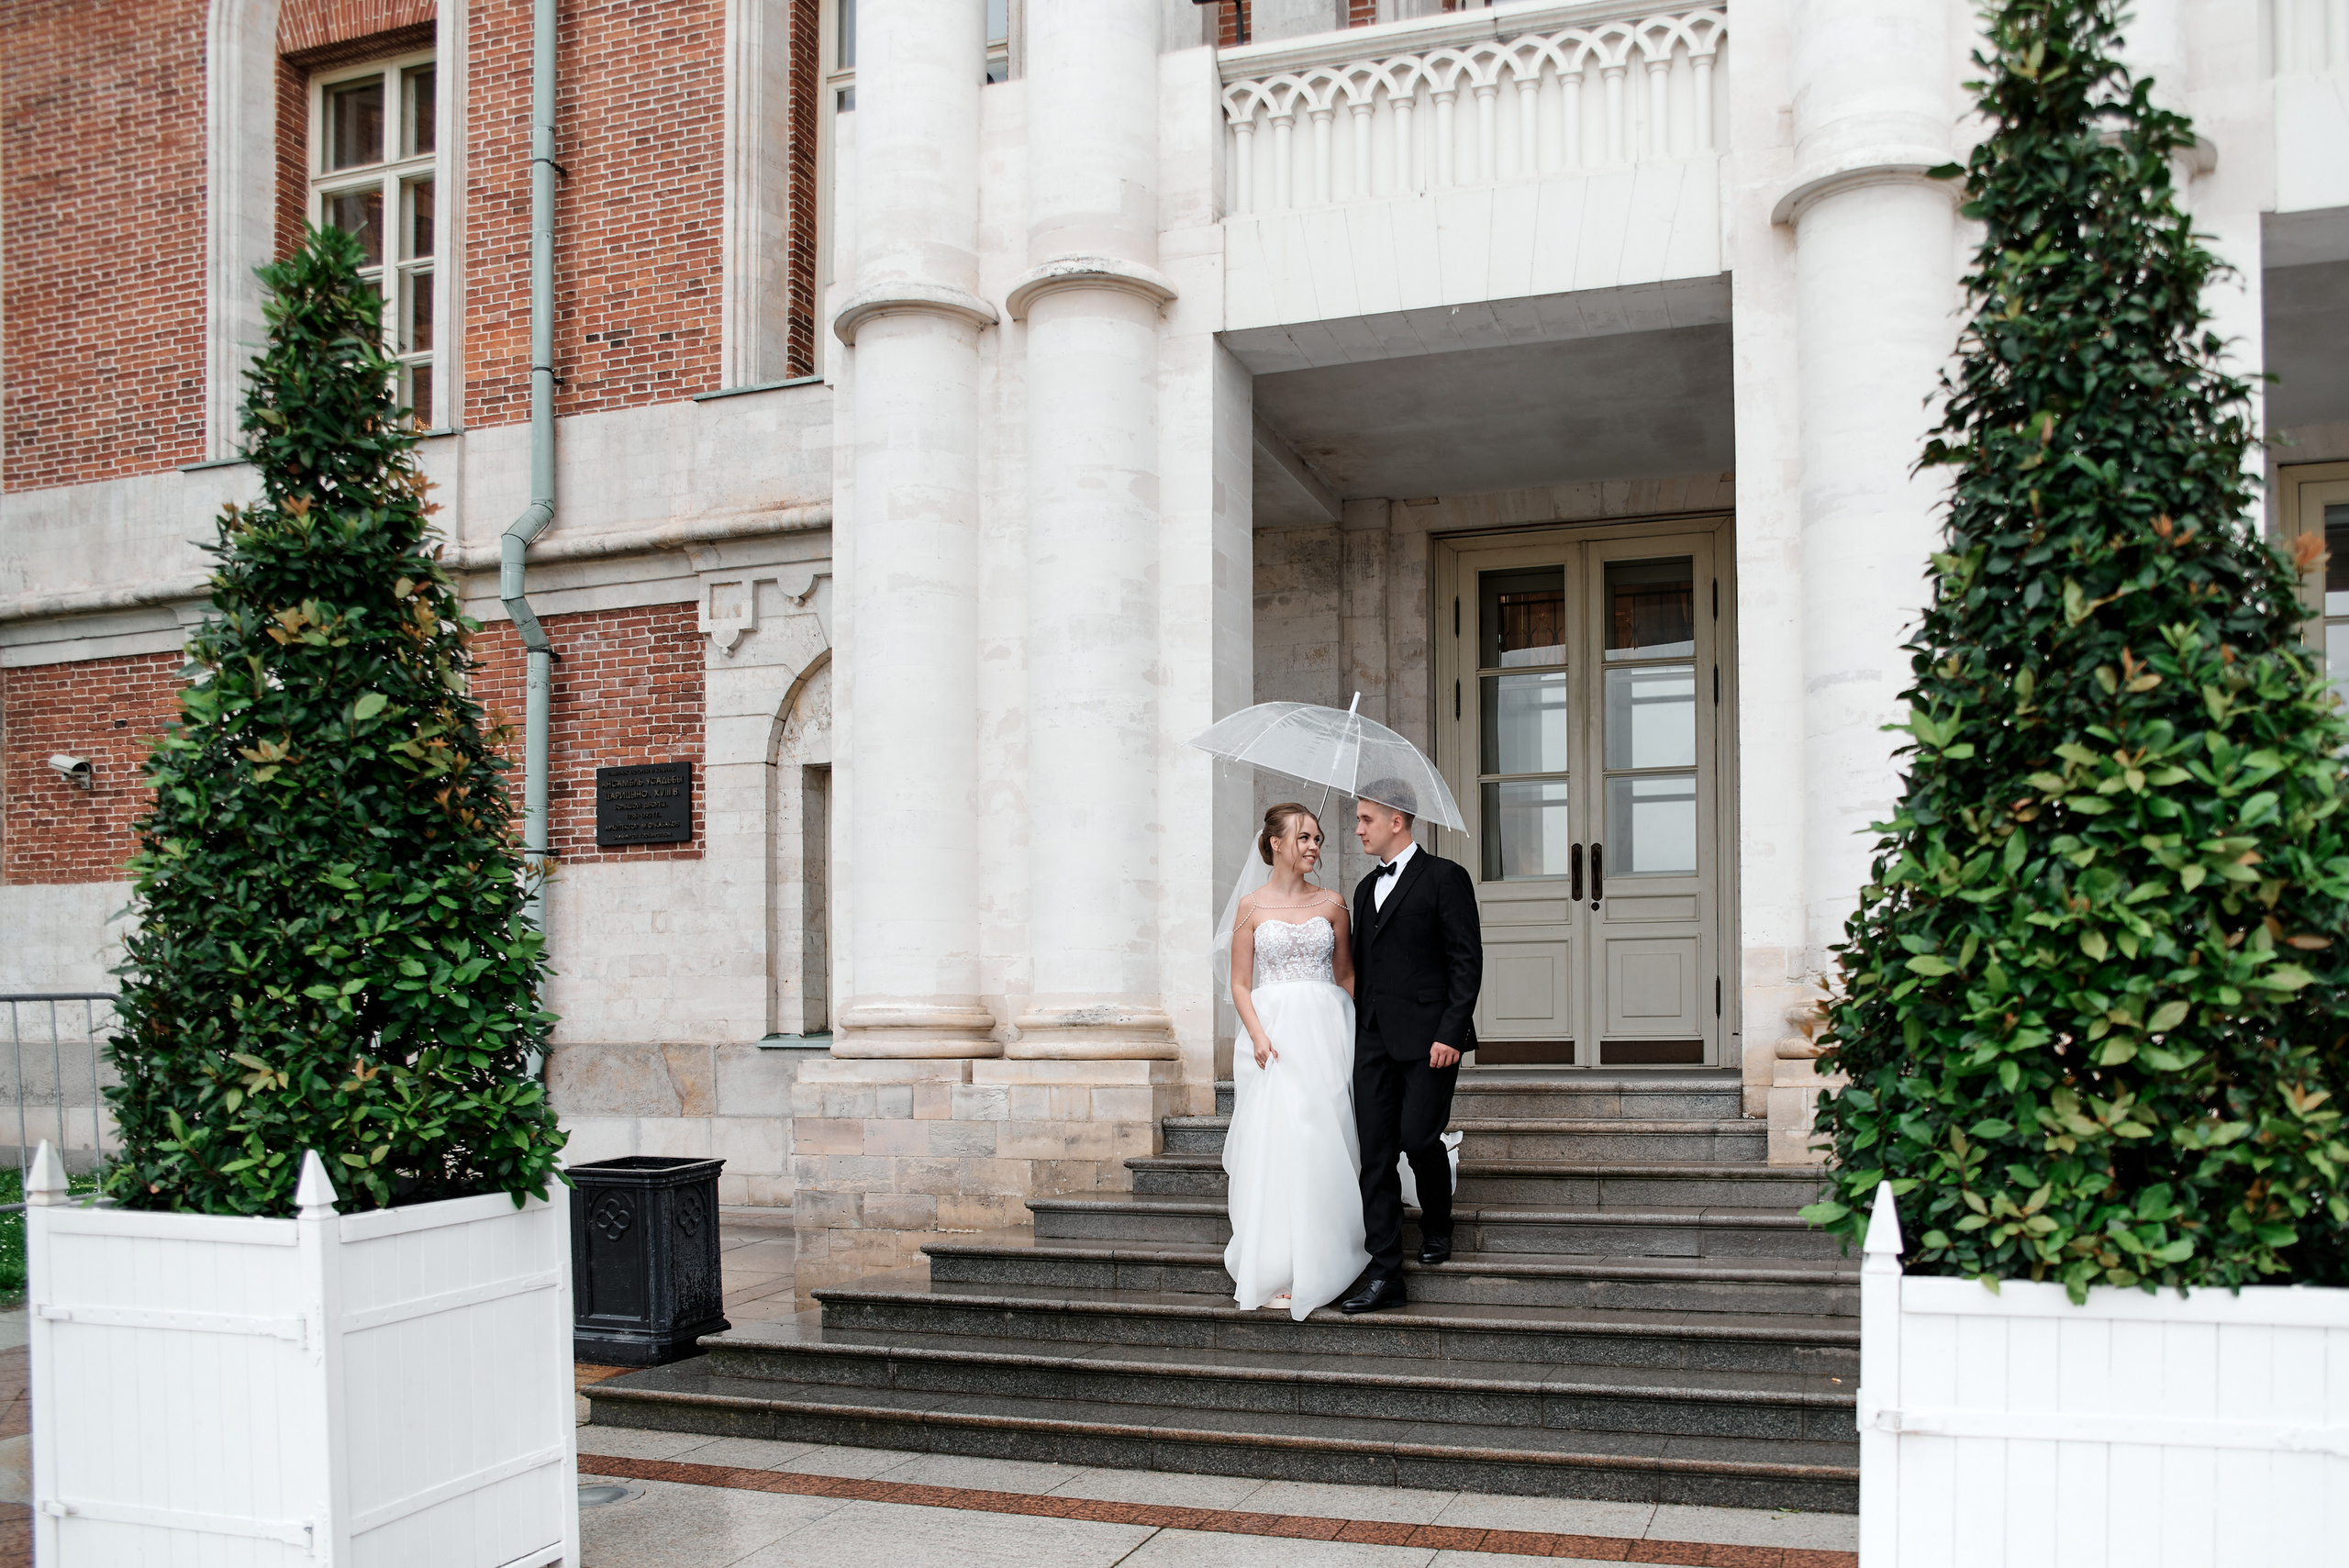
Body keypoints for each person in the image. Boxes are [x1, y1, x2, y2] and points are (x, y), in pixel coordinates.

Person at [1217, 803, 1371, 1319]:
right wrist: (1258, 1036)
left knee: (1325, 1135)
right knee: (1280, 1140)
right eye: (1304, 837)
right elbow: (1241, 983)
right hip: (1274, 1035)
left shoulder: (1334, 903)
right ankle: (1279, 1262)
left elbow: (1346, 977)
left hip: (1326, 1032)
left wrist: (1355, 1033)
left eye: (1318, 838)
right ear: (1275, 843)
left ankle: (1327, 1254)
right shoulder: (1250, 907)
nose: (1314, 846)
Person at [1341, 780, 1482, 1315]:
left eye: (1366, 819)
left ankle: (1438, 1223)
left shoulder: (1446, 877)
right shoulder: (1363, 889)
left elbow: (1466, 961)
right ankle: (1385, 1274)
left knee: (1419, 1137)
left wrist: (1451, 1031)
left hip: (1430, 1040)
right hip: (1373, 1039)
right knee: (1375, 1154)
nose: (1358, 828)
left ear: (1396, 821)